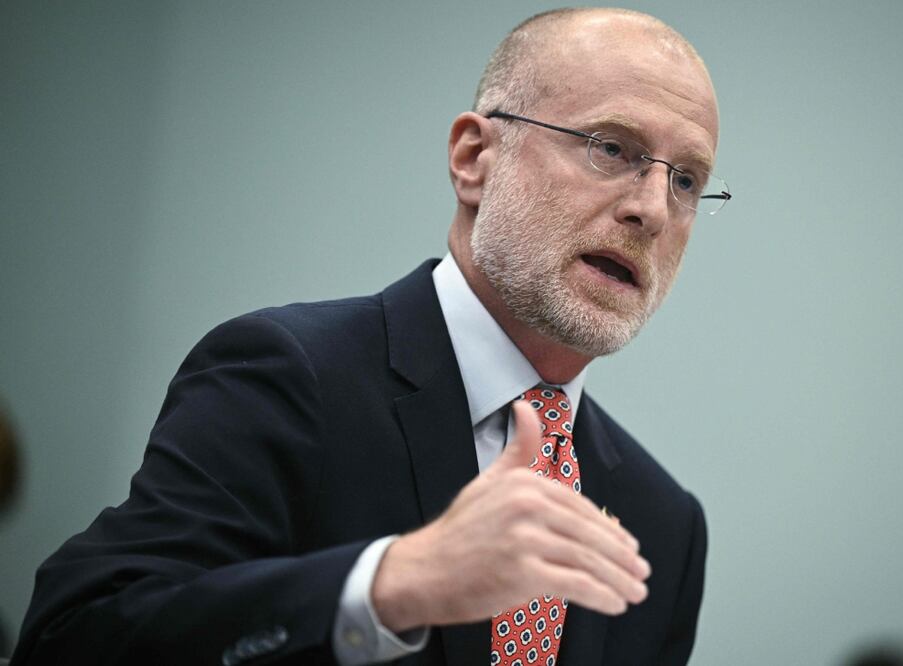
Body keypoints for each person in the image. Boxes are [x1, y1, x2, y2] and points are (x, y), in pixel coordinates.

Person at [13, 7, 726, 665]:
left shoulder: (663, 526)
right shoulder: (289, 376)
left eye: (687, 180)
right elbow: (74, 635)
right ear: (475, 158)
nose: (652, 211)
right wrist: (390, 586)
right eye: (611, 148)